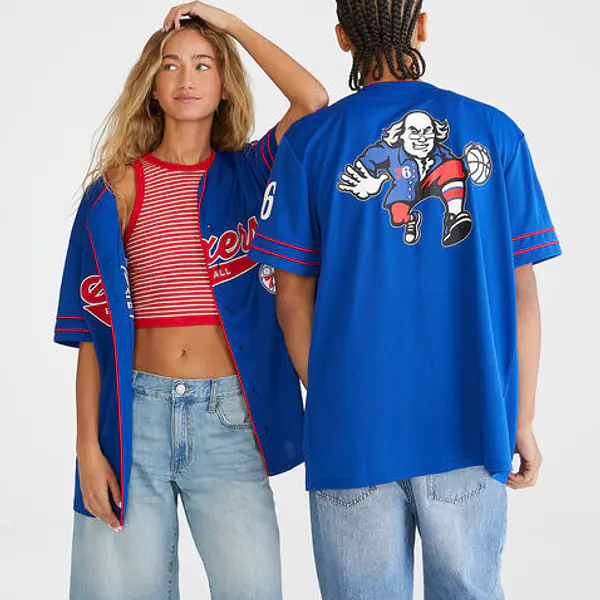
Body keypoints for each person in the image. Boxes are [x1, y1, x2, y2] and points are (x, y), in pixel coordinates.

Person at [249, 1, 560, 598]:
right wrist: (520, 418)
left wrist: (335, 395)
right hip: (470, 423)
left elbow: (290, 295)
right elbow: (523, 293)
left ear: (342, 38)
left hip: (353, 433)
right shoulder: (495, 130)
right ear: (421, 26)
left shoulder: (311, 141)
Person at [53, 2, 328, 599]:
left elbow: (311, 100)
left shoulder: (251, 172)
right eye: (170, 65)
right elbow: (89, 336)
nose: (186, 78)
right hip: (135, 420)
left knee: (253, 589)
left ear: (225, 86)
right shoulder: (116, 188)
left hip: (230, 418)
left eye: (204, 64)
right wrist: (87, 450)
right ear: (152, 87)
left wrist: (231, 25)